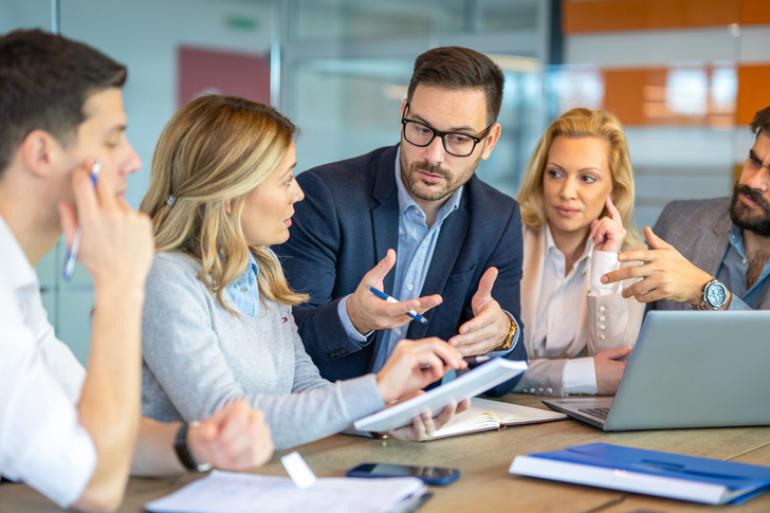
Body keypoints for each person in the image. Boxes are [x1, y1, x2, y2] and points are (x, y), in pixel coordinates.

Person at [0, 30, 273, 512]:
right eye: (112, 140)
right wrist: (120, 285)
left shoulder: (15, 287)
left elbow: (92, 432)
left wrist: (193, 445)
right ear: (42, 153)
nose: (131, 160)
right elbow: (93, 487)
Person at [139, 95, 469, 450]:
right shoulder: (165, 278)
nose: (297, 193)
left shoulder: (260, 268)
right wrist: (375, 390)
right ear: (230, 194)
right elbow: (224, 417)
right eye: (285, 179)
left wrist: (383, 415)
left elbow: (302, 384)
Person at [274, 46, 525, 393]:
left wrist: (502, 334)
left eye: (459, 139)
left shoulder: (497, 219)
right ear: (404, 112)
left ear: (490, 141)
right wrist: (353, 318)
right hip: (326, 420)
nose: (433, 156)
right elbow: (281, 345)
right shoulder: (326, 196)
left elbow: (507, 378)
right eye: (422, 129)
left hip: (418, 428)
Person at [514, 108, 645, 397]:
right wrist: (581, 374)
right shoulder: (508, 240)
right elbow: (485, 367)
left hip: (585, 423)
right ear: (541, 177)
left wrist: (605, 260)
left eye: (587, 178)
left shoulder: (633, 260)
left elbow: (615, 365)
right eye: (556, 173)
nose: (567, 192)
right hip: (499, 416)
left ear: (615, 187)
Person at [603, 105, 770, 311]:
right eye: (754, 161)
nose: (753, 182)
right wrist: (604, 259)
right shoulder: (678, 223)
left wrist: (704, 291)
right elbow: (628, 335)